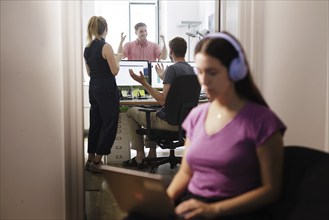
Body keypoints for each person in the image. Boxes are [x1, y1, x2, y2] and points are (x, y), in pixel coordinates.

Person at [166, 32, 287, 220]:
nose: (204, 81)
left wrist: (213, 210)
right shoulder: (197, 116)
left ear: (236, 71)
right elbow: (186, 171)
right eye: (200, 71)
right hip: (192, 204)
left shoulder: (262, 121)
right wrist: (163, 201)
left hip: (233, 210)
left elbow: (270, 190)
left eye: (212, 72)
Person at [122, 37, 194, 168]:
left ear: (171, 51)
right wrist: (164, 77)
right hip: (184, 123)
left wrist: (143, 83)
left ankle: (139, 155)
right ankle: (152, 153)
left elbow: (162, 100)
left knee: (131, 111)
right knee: (153, 111)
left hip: (168, 122)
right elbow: (177, 93)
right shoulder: (191, 70)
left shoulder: (172, 69)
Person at [83, 16, 122, 172]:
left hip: (93, 87)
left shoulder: (87, 48)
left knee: (96, 123)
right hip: (106, 88)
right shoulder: (106, 47)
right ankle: (98, 161)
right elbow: (114, 71)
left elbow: (89, 72)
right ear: (106, 29)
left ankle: (90, 158)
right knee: (109, 123)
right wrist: (116, 59)